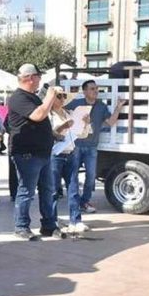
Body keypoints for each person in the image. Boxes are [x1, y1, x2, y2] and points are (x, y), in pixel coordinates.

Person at [7, 64, 66, 241]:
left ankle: (48, 225)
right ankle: (21, 226)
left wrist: (53, 134)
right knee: (26, 191)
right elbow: (38, 115)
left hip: (42, 152)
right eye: (39, 77)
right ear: (30, 77)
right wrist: (49, 96)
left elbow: (40, 121)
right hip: (27, 153)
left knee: (48, 190)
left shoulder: (32, 97)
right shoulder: (17, 98)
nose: (40, 80)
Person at [65, 80, 126, 214]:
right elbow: (62, 110)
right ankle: (74, 204)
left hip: (92, 146)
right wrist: (71, 120)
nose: (96, 91)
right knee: (73, 176)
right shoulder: (76, 103)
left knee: (91, 176)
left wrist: (118, 107)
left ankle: (84, 201)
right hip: (76, 145)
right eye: (92, 89)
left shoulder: (101, 106)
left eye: (97, 88)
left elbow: (110, 122)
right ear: (85, 91)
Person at [49, 88, 89, 234]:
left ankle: (76, 220)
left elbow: (83, 134)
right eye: (58, 96)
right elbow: (49, 134)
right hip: (55, 153)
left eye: (63, 96)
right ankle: (52, 220)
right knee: (53, 189)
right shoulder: (48, 115)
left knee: (73, 188)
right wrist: (63, 127)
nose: (61, 99)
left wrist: (85, 123)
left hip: (71, 152)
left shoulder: (69, 113)